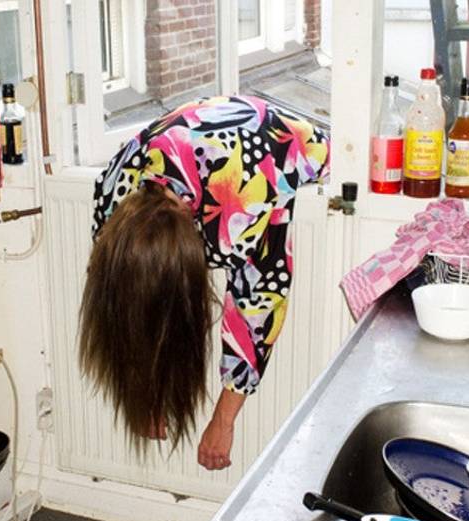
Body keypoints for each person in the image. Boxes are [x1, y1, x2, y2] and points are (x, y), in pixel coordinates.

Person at [80, 95, 330, 471]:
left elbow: (257, 309)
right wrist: (146, 393)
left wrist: (223, 420)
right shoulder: (115, 188)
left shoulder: (246, 202)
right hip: (200, 145)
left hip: (280, 150)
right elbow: (124, 307)